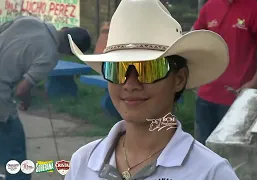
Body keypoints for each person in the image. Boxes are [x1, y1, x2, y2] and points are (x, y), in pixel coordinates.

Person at [65, 0, 239, 179]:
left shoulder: (210, 173)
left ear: (179, 79)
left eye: (149, 69)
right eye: (117, 70)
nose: (130, 84)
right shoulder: (82, 163)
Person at [0, 16, 91, 180]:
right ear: (70, 52)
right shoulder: (49, 55)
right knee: (16, 152)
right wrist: (26, 102)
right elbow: (22, 90)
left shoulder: (29, 21)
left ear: (64, 29)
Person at [192, 0, 257, 145]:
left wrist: (254, 82)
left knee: (231, 153)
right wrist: (194, 75)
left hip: (237, 98)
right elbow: (193, 39)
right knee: (203, 150)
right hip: (206, 96)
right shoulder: (210, 6)